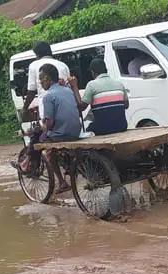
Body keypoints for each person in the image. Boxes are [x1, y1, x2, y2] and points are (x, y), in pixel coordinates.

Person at [19, 63, 81, 193]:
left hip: (60, 134)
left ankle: (61, 182)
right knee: (40, 133)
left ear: (48, 79)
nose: (40, 82)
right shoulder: (68, 90)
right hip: (76, 131)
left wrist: (39, 128)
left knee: (38, 138)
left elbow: (49, 124)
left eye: (41, 79)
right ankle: (30, 161)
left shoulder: (48, 96)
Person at [69, 58, 129, 136]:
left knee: (87, 129)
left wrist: (74, 86)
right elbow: (126, 105)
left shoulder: (92, 85)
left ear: (93, 72)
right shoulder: (119, 84)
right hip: (122, 126)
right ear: (106, 70)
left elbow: (81, 107)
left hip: (103, 129)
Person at [23, 41, 71, 121]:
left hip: (47, 112)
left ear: (37, 54)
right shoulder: (63, 65)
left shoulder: (34, 65)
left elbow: (31, 91)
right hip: (66, 109)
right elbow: (69, 86)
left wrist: (24, 109)